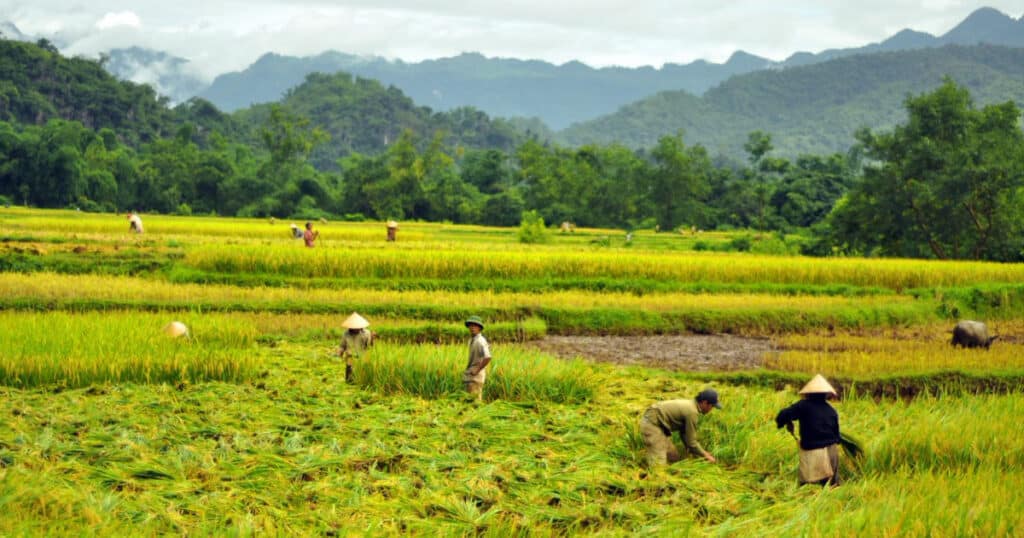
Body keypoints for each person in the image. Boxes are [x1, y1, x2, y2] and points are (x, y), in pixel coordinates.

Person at [775, 374, 841, 486]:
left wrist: (785, 422)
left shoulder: (803, 406)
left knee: (808, 486)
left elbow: (783, 415)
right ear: (826, 394)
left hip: (814, 454)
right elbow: (837, 437)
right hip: (832, 453)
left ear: (809, 393)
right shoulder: (831, 410)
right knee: (831, 487)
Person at [639, 389, 721, 466]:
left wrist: (697, 453)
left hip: (660, 426)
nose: (711, 409)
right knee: (658, 464)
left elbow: (684, 434)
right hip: (652, 424)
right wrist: (706, 455)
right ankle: (655, 477)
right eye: (712, 406)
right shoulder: (692, 412)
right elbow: (692, 442)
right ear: (705, 403)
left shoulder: (692, 406)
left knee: (673, 457)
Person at [338, 312, 374, 383]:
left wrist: (372, 339)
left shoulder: (367, 333)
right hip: (350, 359)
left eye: (357, 327)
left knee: (361, 380)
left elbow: (369, 347)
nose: (355, 329)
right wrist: (339, 354)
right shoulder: (346, 334)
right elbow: (342, 346)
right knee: (349, 381)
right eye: (353, 328)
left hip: (362, 359)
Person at [462, 315, 491, 400]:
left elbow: (488, 357)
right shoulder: (472, 339)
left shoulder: (480, 341)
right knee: (470, 401)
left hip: (476, 377)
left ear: (479, 328)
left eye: (475, 325)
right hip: (471, 376)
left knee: (475, 403)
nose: (472, 328)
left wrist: (477, 370)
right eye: (471, 325)